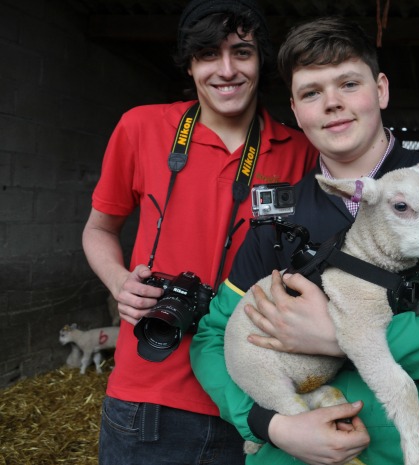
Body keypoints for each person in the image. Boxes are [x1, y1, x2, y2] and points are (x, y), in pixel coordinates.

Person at [191, 16, 419, 465]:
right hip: (297, 453)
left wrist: (339, 337)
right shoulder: (279, 213)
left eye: (349, 83)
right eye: (312, 92)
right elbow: (213, 338)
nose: (332, 104)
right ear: (295, 109)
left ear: (381, 90)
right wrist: (271, 424)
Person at [81, 0, 317, 462]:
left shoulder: (302, 150)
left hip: (259, 396)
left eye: (242, 52)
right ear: (189, 64)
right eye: (209, 54)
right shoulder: (141, 127)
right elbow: (97, 229)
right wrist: (118, 282)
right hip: (148, 397)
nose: (226, 70)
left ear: (261, 60)